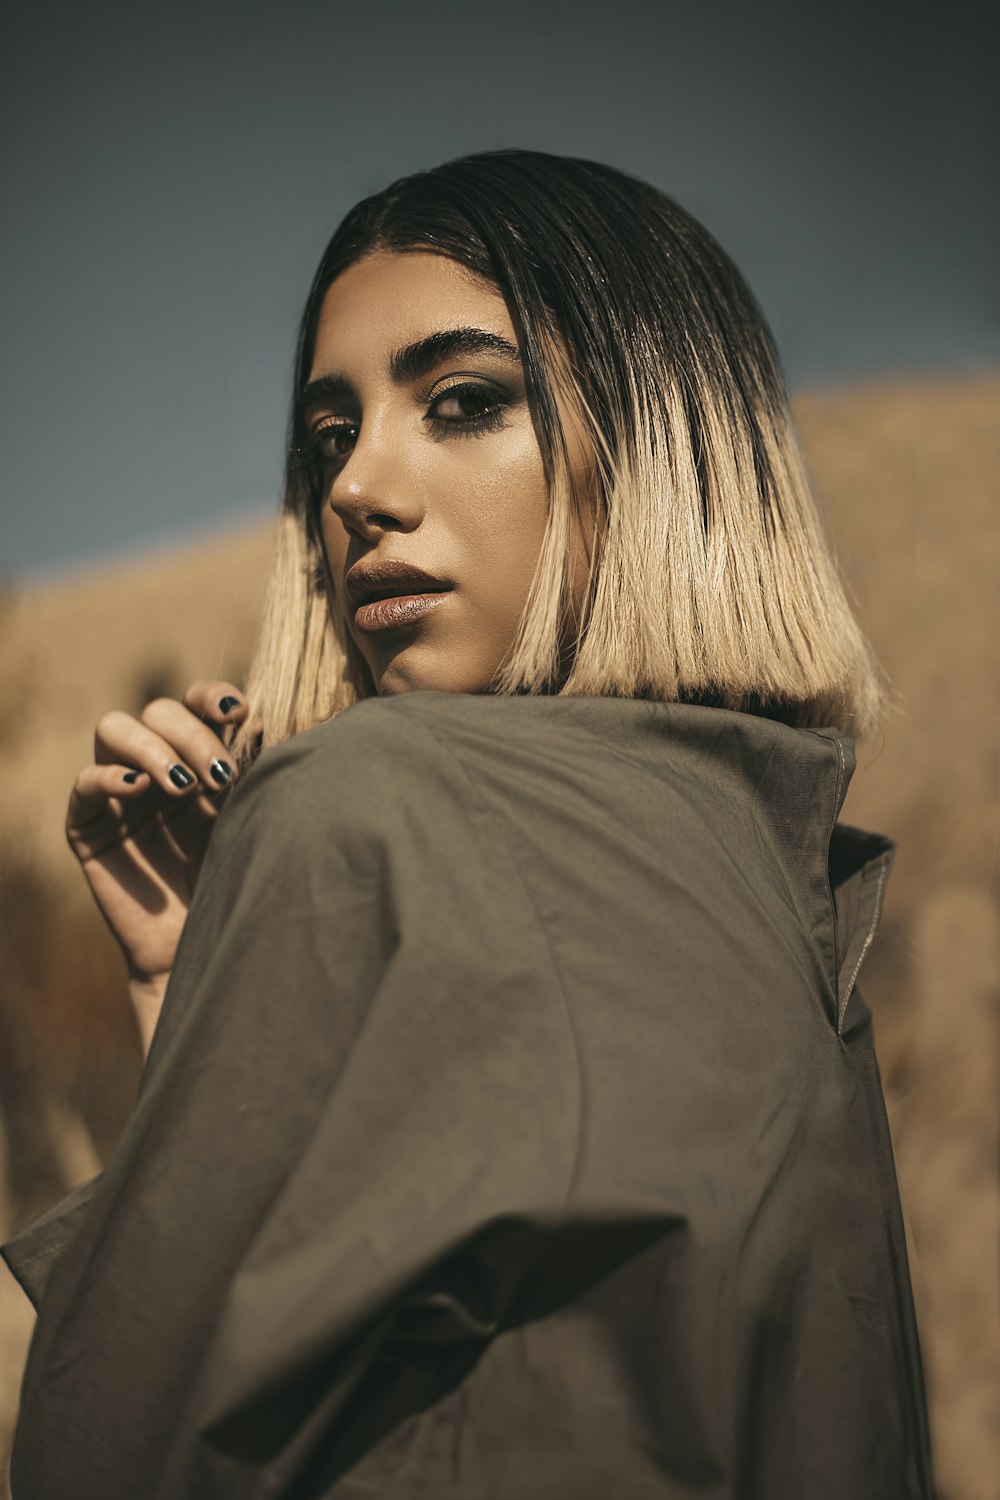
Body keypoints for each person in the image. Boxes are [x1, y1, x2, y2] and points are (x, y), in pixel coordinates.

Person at [2, 149, 933, 1498]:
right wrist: (202, 995)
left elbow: (119, 1449)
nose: (356, 489)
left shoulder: (360, 814)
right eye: (329, 438)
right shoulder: (790, 885)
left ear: (660, 443)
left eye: (463, 402)